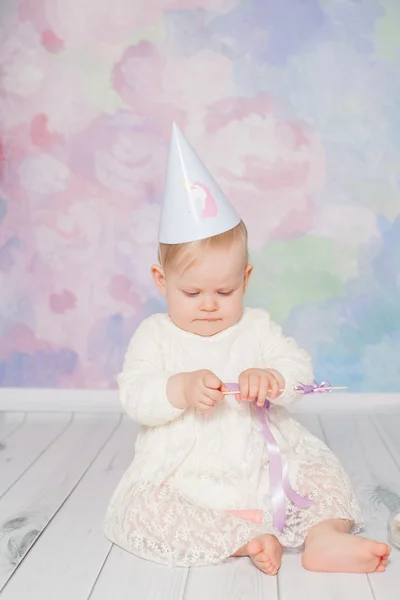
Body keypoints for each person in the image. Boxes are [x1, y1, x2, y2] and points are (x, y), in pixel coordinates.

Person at [104, 124, 391, 575]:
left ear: (246, 279)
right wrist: (178, 389)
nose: (210, 304)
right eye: (193, 292)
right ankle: (243, 539)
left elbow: (298, 370)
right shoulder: (155, 335)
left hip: (263, 466)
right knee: (142, 507)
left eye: (225, 289)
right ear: (162, 282)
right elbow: (136, 395)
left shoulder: (256, 327)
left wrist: (272, 377)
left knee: (322, 474)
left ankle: (324, 538)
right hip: (187, 473)